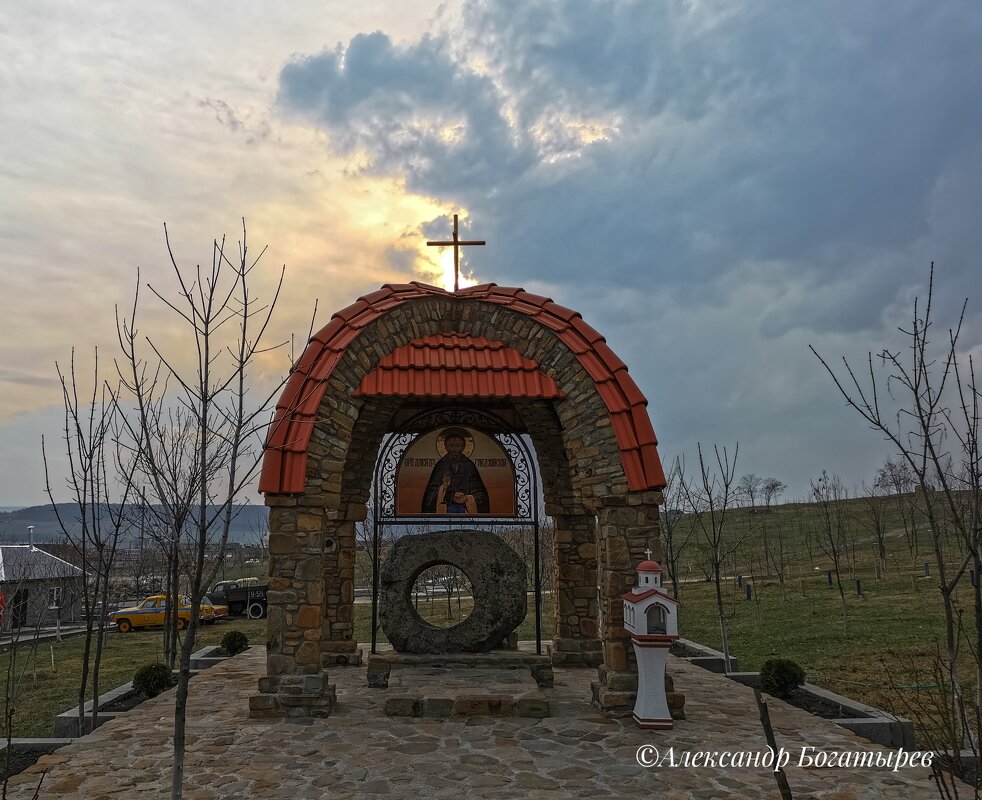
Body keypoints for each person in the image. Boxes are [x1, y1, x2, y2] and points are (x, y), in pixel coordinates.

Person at [421, 428, 490, 514]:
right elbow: (431, 494)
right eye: (451, 446)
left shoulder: (469, 466)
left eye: (458, 446)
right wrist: (444, 488)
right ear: (445, 447)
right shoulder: (440, 466)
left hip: (466, 509)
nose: (454, 450)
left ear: (463, 447)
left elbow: (479, 493)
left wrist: (467, 498)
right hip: (444, 508)